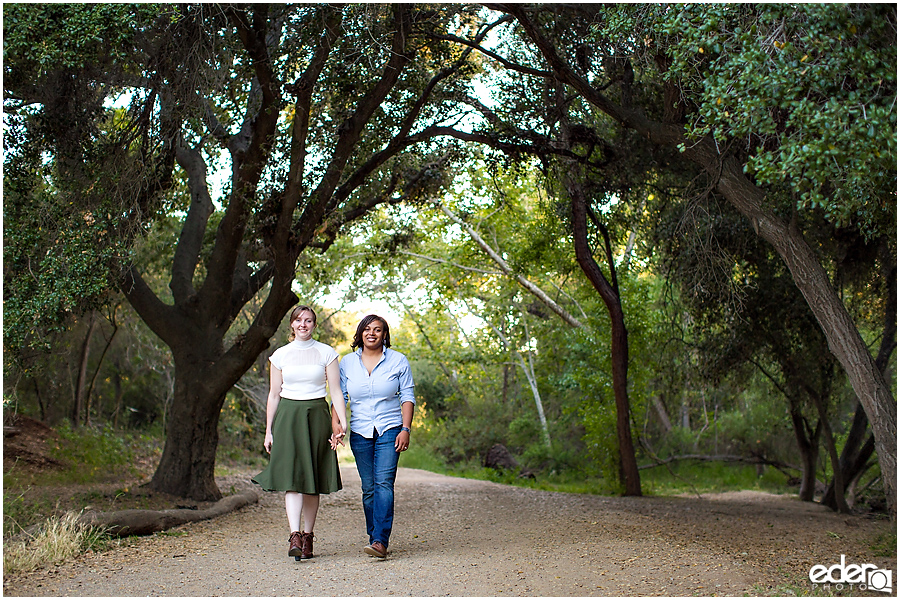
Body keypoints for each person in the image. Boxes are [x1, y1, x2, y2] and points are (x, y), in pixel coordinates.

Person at [252, 305, 347, 561]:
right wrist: (268, 431)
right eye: (298, 320)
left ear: (314, 325)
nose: (303, 324)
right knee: (292, 477)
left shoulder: (326, 353)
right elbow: (273, 394)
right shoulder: (280, 356)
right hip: (288, 416)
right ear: (291, 325)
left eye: (308, 320)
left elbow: (336, 391)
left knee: (311, 479)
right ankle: (294, 535)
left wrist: (342, 422)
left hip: (316, 415)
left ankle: (308, 536)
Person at [338, 314, 415, 559]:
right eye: (367, 329)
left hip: (390, 428)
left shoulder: (398, 361)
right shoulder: (347, 363)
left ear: (385, 335)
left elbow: (407, 396)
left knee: (383, 483)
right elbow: (340, 398)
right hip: (360, 431)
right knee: (369, 488)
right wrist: (337, 426)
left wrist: (406, 429)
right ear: (360, 333)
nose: (372, 333)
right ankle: (374, 537)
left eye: (378, 330)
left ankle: (380, 540)